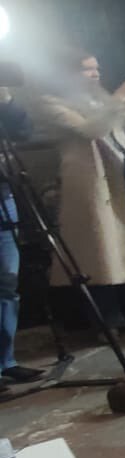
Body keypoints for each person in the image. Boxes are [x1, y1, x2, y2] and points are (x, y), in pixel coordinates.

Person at [31, 50, 125, 331]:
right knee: (101, 257)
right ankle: (108, 322)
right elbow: (91, 129)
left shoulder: (102, 100)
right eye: (87, 69)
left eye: (97, 68)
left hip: (123, 183)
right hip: (92, 188)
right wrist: (120, 97)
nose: (96, 74)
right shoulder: (51, 103)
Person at [0, 68, 41, 385]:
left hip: (2, 197)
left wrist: (6, 100)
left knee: (7, 282)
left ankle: (6, 360)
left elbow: (24, 132)